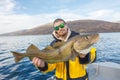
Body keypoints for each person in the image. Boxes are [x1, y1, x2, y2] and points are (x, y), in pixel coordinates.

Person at [32, 18, 96, 80]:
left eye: (62, 25)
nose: (60, 28)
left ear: (66, 25)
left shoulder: (79, 38)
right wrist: (43, 65)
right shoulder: (53, 45)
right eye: (57, 28)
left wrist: (85, 55)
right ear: (55, 30)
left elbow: (93, 57)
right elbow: (52, 65)